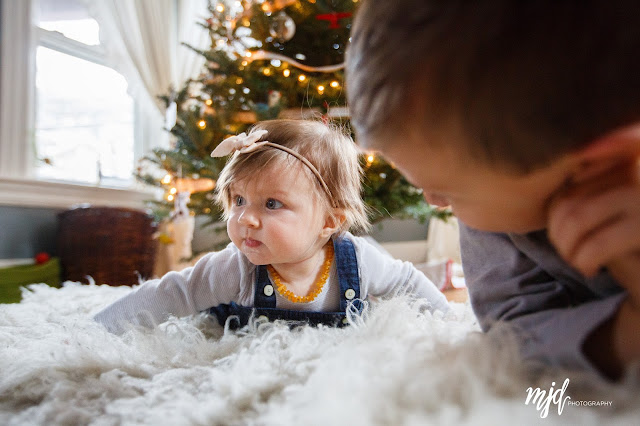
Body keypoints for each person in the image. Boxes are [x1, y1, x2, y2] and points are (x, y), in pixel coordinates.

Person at [345, 0, 640, 380]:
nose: (431, 201)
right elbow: (514, 333)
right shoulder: (493, 227)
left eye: (448, 193)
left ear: (592, 164)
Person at [94, 119, 449, 334]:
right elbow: (170, 293)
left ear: (330, 221)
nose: (245, 217)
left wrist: (449, 322)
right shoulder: (235, 267)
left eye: (272, 203)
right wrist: (97, 330)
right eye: (238, 200)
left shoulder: (357, 261)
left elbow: (407, 280)